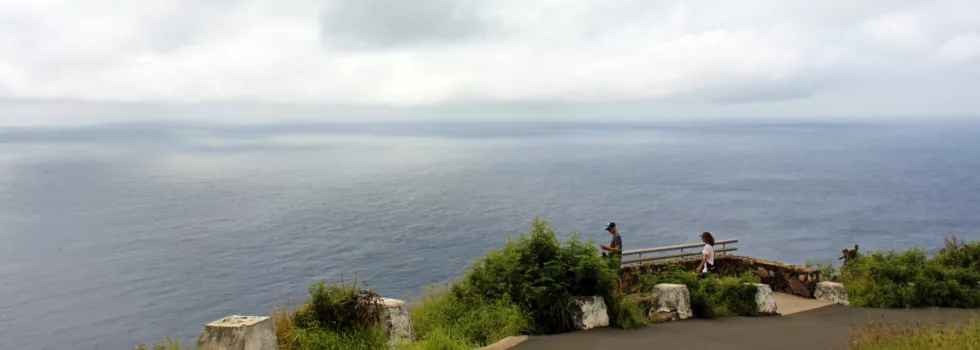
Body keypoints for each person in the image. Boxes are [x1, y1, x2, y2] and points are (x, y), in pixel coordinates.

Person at [600, 222, 623, 292]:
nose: (609, 231)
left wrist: (606, 248)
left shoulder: (617, 236)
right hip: (613, 259)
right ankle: (618, 292)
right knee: (615, 277)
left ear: (613, 228)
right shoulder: (614, 236)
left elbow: (617, 249)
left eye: (609, 229)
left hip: (616, 259)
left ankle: (619, 292)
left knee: (616, 276)